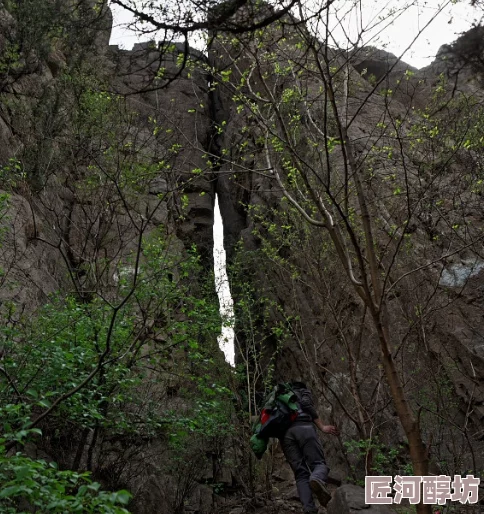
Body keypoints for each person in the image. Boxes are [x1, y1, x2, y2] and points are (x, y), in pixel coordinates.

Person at [280, 380, 339, 514]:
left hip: (286, 437)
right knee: (319, 464)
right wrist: (322, 426)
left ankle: (309, 509)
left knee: (300, 474)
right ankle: (317, 478)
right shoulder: (302, 392)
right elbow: (306, 404)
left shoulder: (279, 398)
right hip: (304, 428)